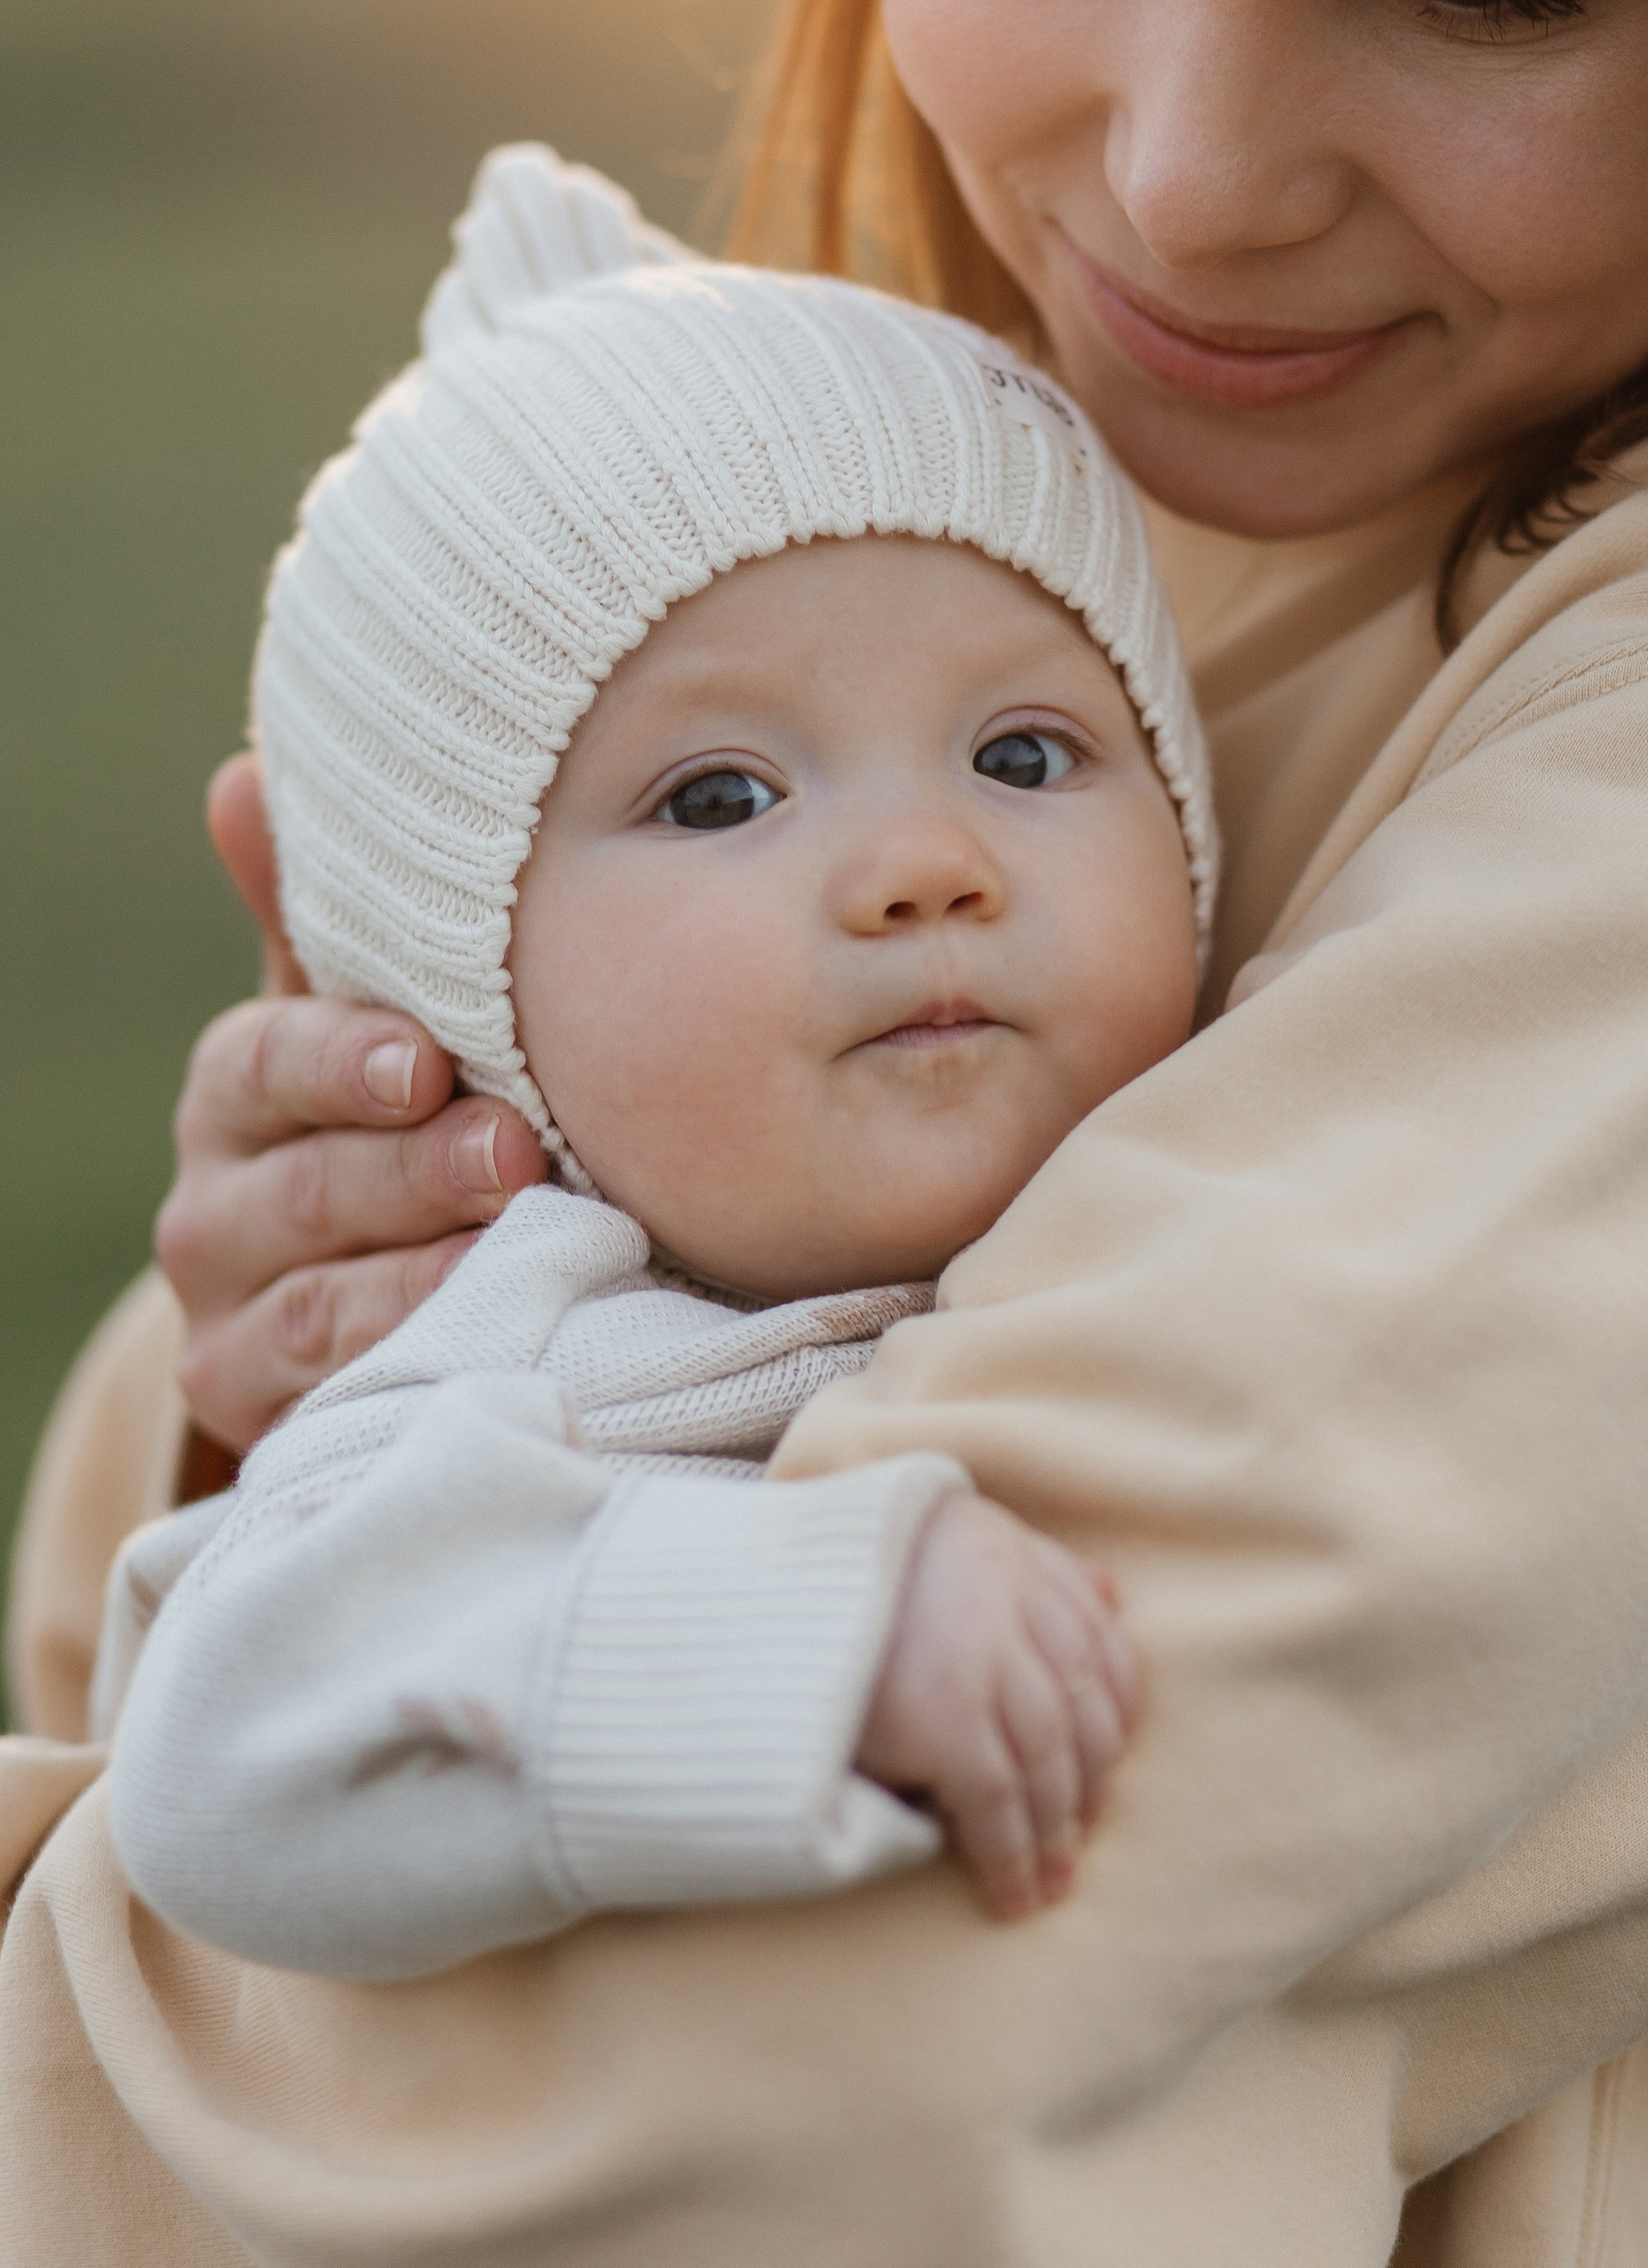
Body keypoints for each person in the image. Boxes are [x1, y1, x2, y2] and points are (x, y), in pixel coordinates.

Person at [8, 0, 1648, 2259]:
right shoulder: (936, 532)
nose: (1194, 180)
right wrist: (361, 1338)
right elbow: (142, 1649)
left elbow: (833, 2029)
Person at [99, 142, 1203, 1971]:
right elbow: (220, 1763)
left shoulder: (1247, 1162)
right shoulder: (524, 1354)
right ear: (458, 978)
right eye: (718, 796)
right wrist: (814, 1625)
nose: (926, 863)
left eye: (1021, 755)